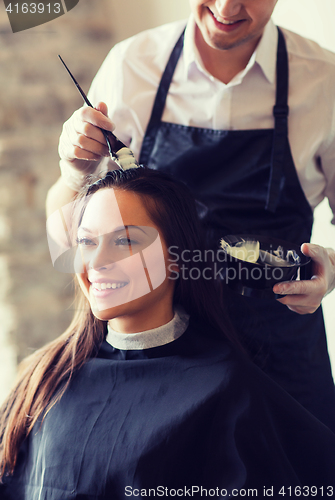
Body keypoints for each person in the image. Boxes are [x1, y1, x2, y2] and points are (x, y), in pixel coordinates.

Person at [47, 0, 335, 430]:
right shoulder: (131, 66)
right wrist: (74, 174)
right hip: (159, 355)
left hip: (282, 353)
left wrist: (332, 271)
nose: (226, 6)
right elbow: (64, 238)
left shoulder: (325, 82)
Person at [1, 167, 335, 499]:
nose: (97, 260)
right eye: (86, 241)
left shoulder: (228, 392)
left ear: (176, 258)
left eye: (125, 240)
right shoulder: (43, 378)